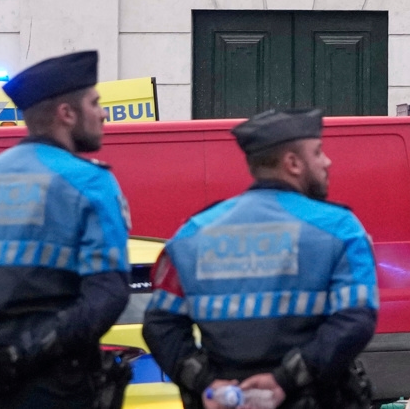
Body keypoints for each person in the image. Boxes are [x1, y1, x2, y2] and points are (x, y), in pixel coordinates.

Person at [144, 111, 378, 409]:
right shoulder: (339, 228)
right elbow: (356, 320)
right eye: (318, 152)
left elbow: (160, 324)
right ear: (292, 163)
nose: (327, 161)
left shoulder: (192, 234)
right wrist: (284, 380)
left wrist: (206, 383)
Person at [0, 51, 132, 409]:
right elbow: (108, 293)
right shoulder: (89, 183)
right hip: (58, 386)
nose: (103, 113)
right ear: (67, 113)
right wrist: (22, 356)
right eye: (95, 104)